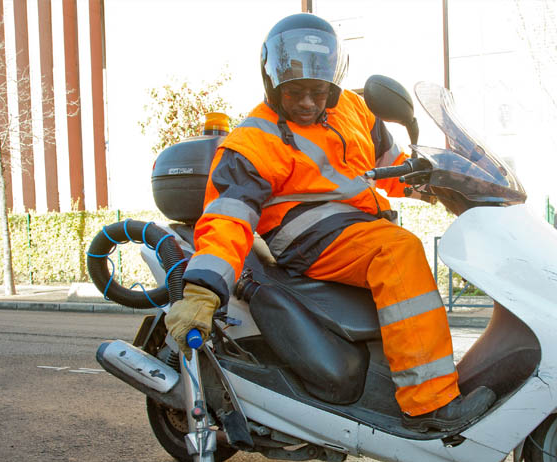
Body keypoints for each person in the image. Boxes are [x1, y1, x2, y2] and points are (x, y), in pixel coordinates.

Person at [166, 13, 494, 432]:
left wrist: (441, 186)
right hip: (306, 239)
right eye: (295, 92)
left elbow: (390, 166)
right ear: (272, 84)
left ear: (333, 86)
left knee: (396, 248)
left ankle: (397, 376)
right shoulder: (252, 141)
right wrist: (201, 292)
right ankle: (430, 405)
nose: (307, 102)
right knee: (399, 252)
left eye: (318, 92)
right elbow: (228, 219)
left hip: (359, 227)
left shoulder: (353, 109)